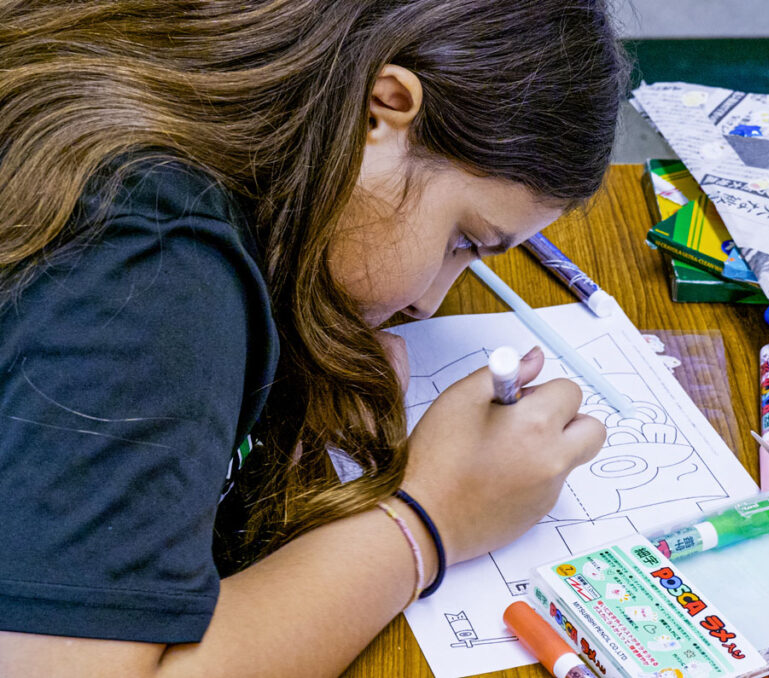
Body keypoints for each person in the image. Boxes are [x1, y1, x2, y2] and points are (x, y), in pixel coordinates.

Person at [0, 1, 627, 675]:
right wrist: (428, 516)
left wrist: (284, 369)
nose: (429, 301)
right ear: (381, 110)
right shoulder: (152, 274)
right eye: (463, 240)